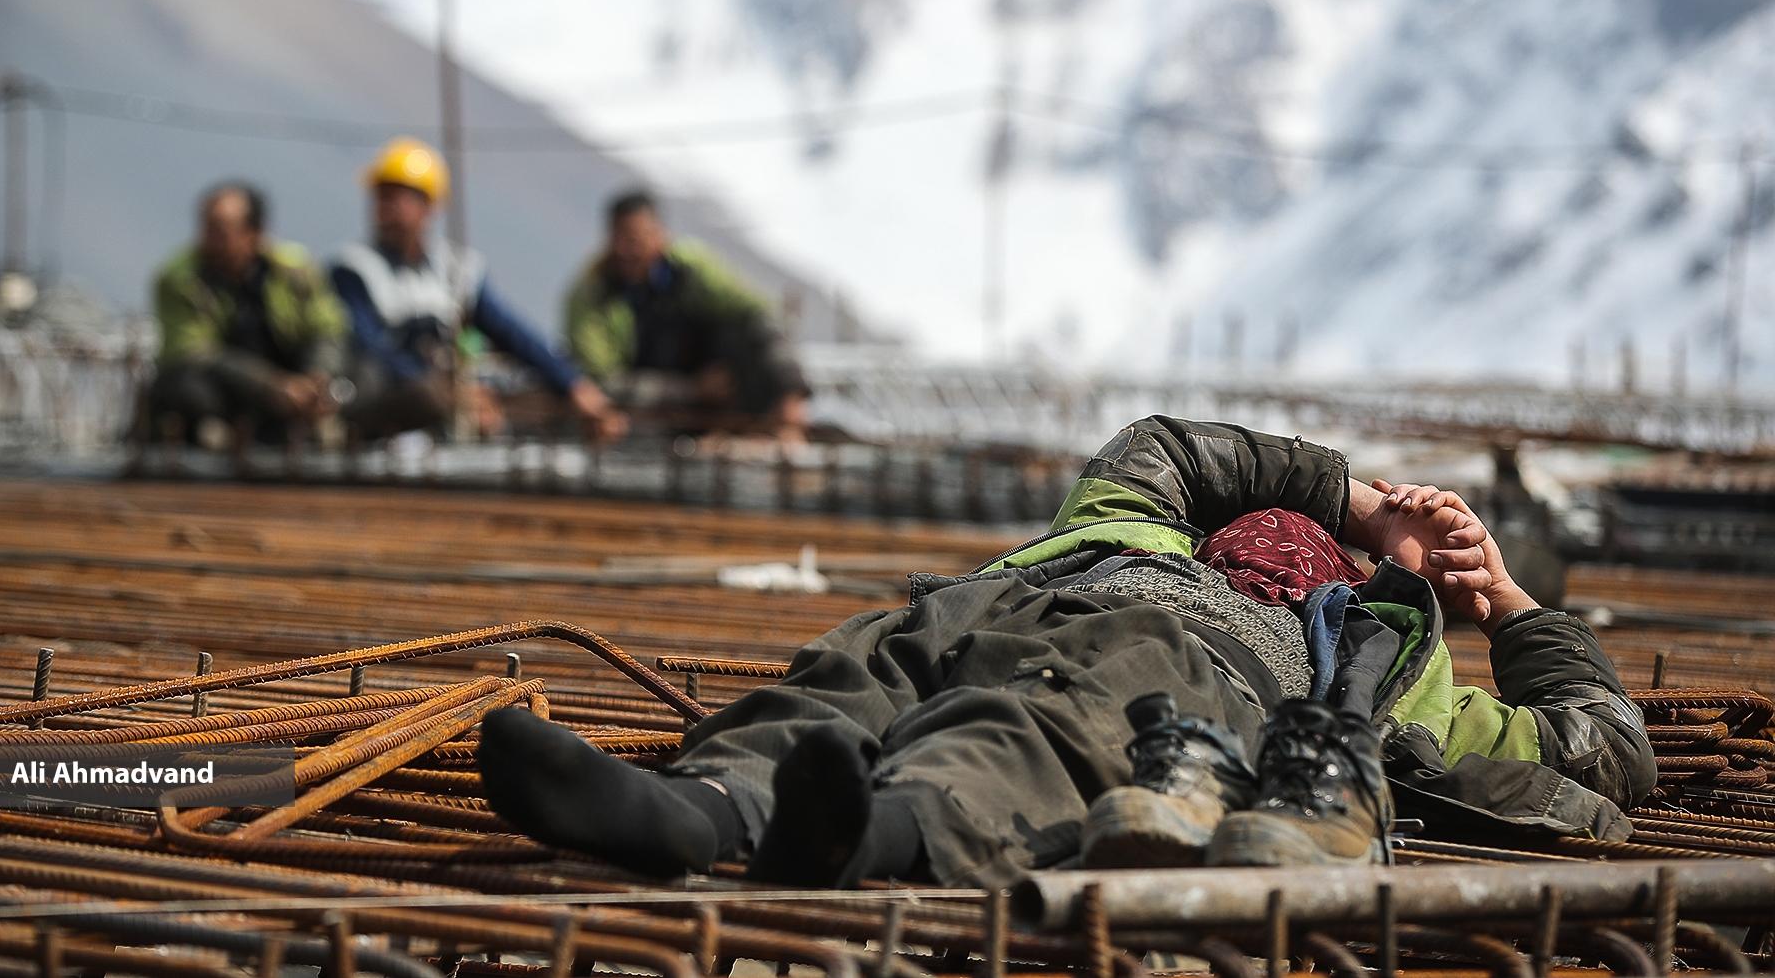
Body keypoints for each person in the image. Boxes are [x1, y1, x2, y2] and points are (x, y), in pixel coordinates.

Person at [477, 416, 1654, 885]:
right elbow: (1168, 448)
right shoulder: (1128, 527)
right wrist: (1356, 496)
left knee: (1036, 727)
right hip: (1000, 610)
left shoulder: (1392, 667)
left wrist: (1501, 600)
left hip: (1174, 669)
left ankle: (866, 834)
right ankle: (698, 809)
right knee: (859, 666)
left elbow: (1603, 746)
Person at [329, 138, 624, 441]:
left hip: (451, 396)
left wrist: (571, 383)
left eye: (397, 197)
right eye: (382, 197)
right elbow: (370, 346)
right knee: (422, 395)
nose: (387, 208)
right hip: (388, 403)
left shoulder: (456, 269)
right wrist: (445, 392)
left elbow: (511, 332)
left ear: (428, 205)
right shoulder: (354, 269)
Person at [564, 191, 809, 441]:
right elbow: (601, 381)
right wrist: (691, 390)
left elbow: (757, 313)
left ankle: (767, 426)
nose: (627, 251)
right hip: (650, 409)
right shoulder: (591, 294)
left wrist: (791, 391)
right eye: (620, 239)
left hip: (720, 388)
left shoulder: (691, 270)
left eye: (636, 240)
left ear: (659, 235)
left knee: (753, 331)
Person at [149, 182, 348, 444]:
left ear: (253, 233)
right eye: (206, 227)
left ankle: (321, 426)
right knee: (183, 386)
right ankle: (219, 436)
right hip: (228, 388)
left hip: (290, 378)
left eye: (221, 231)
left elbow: (328, 328)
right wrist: (271, 386)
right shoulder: (179, 279)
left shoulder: (295, 270)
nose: (210, 240)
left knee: (359, 375)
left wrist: (316, 378)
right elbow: (193, 351)